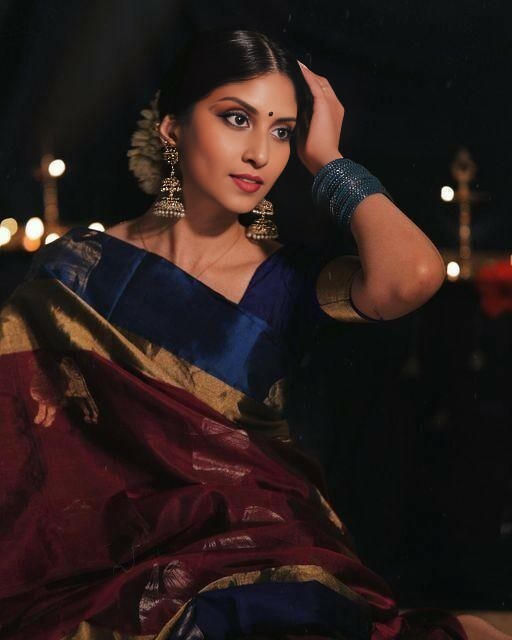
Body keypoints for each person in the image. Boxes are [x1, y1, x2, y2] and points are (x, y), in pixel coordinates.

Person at [0, 27, 508, 640]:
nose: (261, 154)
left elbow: (414, 277)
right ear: (171, 128)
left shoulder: (285, 281)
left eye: (282, 131)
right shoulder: (77, 268)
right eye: (237, 118)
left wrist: (330, 162)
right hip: (104, 562)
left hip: (256, 555)